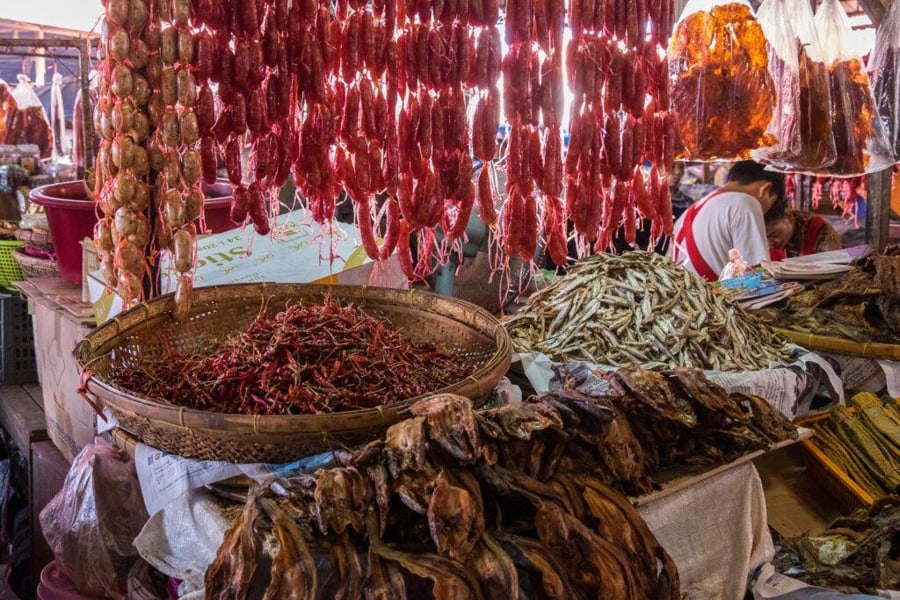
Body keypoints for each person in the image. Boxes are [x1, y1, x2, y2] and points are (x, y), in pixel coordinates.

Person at [669, 160, 784, 281]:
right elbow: (756, 276)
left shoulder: (695, 207)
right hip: (712, 298)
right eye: (772, 203)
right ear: (765, 190)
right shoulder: (745, 203)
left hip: (682, 295)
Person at [764, 197, 842, 259]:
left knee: (852, 252)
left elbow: (836, 268)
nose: (768, 244)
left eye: (774, 234)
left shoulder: (821, 231)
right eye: (763, 238)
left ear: (789, 216)